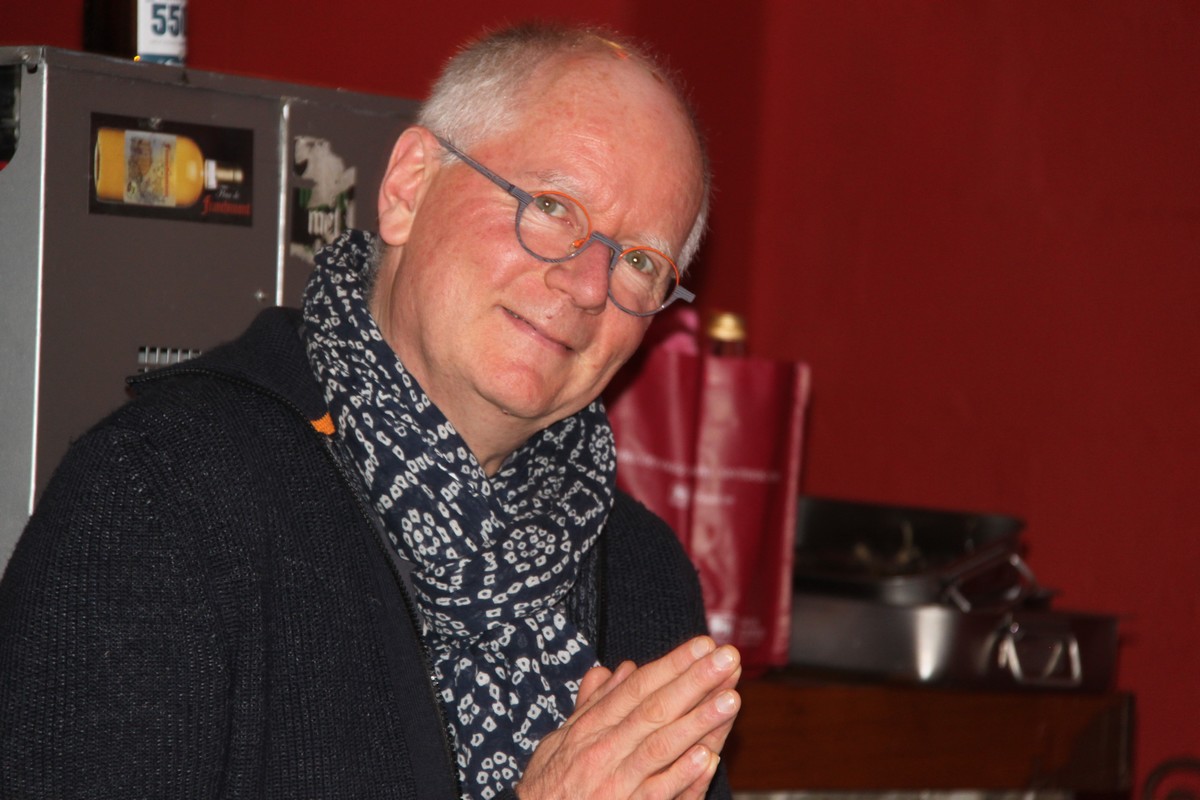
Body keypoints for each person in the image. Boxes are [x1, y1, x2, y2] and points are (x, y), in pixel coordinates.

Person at [0, 22, 740, 800]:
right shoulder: (162, 496)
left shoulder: (643, 576)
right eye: (553, 205)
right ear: (408, 188)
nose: (588, 286)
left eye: (640, 261)